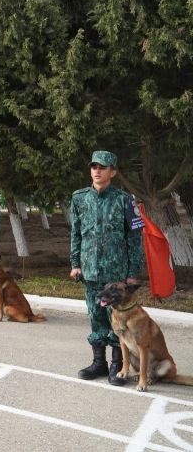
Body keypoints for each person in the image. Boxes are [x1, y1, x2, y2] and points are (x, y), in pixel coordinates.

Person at [69, 150, 146, 386]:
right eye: (94, 166)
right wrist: (75, 264)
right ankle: (98, 362)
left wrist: (132, 273)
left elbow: (135, 239)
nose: (97, 171)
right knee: (95, 316)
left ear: (113, 172)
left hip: (116, 274)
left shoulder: (125, 200)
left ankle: (117, 365)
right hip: (90, 271)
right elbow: (76, 233)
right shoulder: (79, 198)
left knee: (118, 320)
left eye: (102, 167)